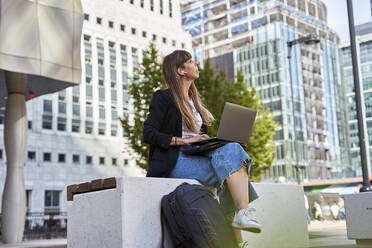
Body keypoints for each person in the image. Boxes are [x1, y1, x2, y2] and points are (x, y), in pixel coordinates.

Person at [143, 50, 261, 247]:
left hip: (194, 155)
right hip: (173, 160)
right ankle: (238, 237)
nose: (195, 63)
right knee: (225, 169)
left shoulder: (195, 103)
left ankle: (241, 218)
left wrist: (206, 141)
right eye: (190, 62)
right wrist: (186, 141)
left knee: (233, 152)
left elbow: (199, 140)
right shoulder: (163, 97)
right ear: (180, 70)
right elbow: (149, 134)